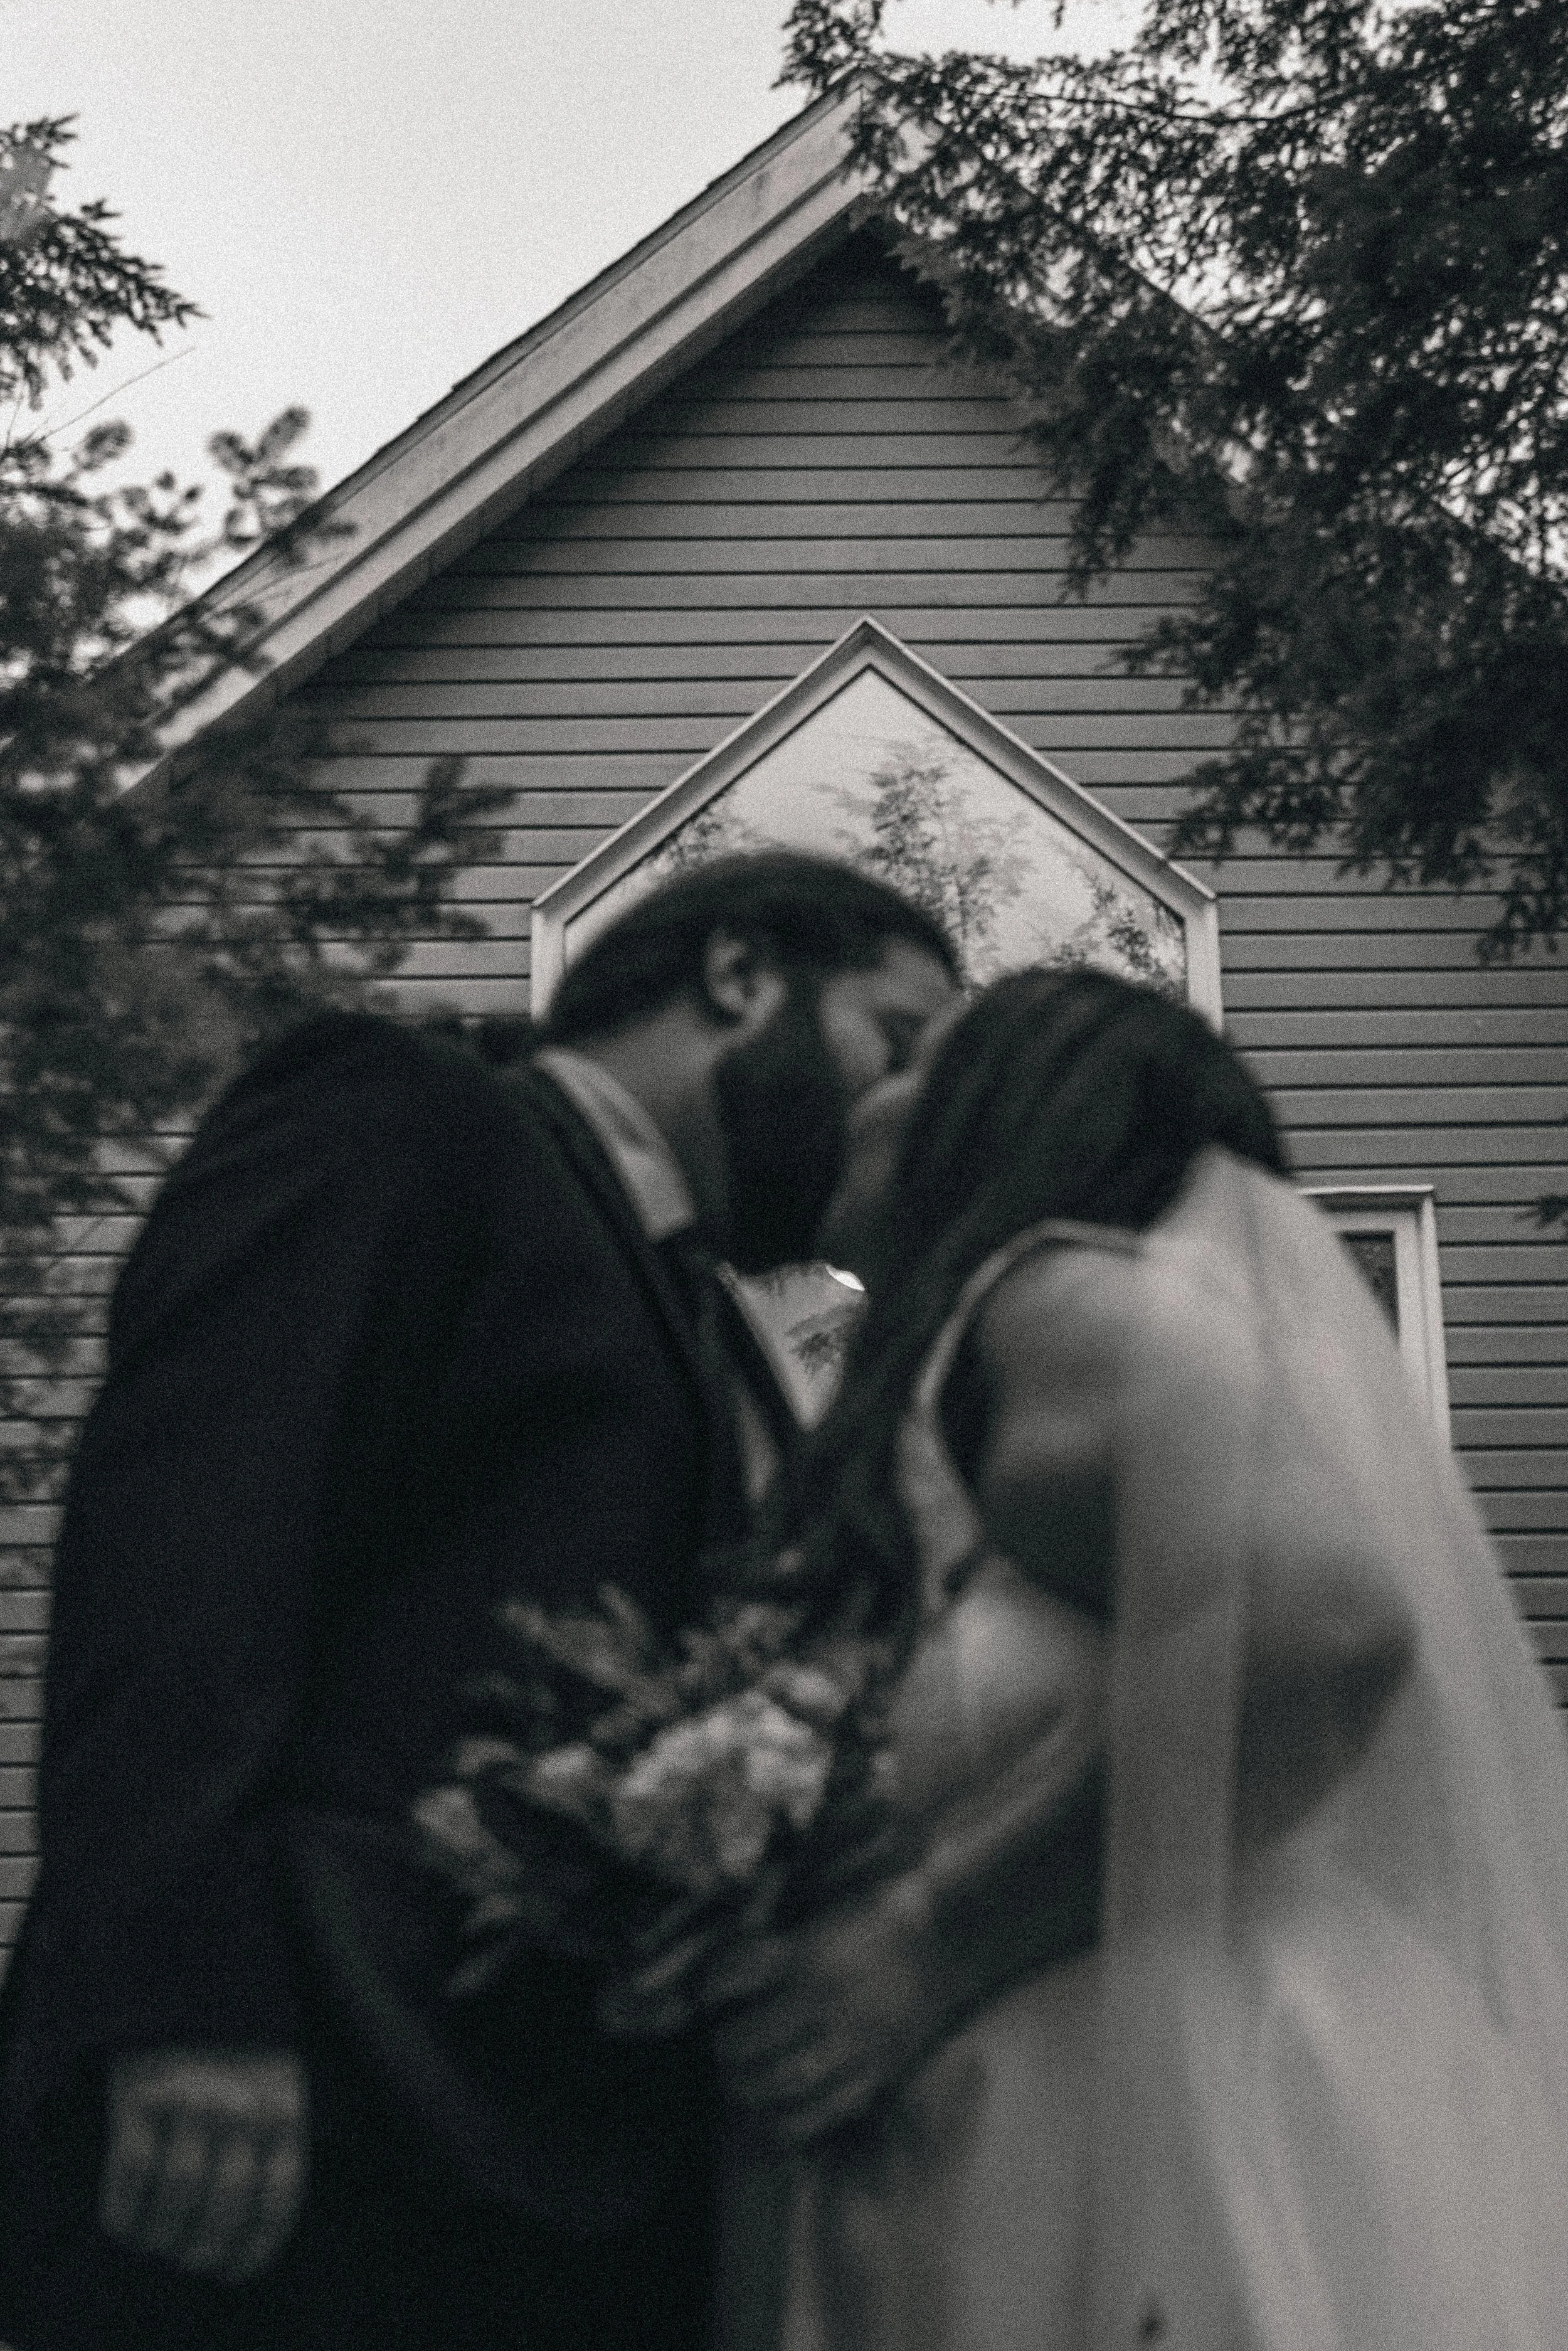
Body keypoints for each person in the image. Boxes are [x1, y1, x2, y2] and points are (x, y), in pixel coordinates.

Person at [0, 851, 960, 2351]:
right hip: (291, 2122)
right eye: (894, 1040)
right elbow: (190, 1539)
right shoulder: (402, 1115)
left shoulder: (721, 1321)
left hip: (532, 2177)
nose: (902, 1108)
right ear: (738, 974)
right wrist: (184, 1997)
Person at [704, 967, 1568, 2351]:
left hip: (1147, 2153)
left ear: (1001, 1115)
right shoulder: (985, 1360)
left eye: (921, 1056)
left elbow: (1322, 1623)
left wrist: (926, 1937)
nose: (871, 1095)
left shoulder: (1042, 1305)